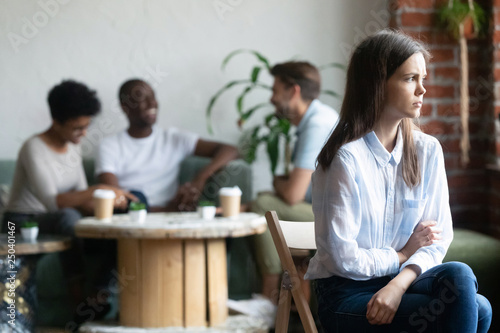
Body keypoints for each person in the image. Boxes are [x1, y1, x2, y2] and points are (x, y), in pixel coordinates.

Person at [305, 30, 492, 332]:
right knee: (478, 310)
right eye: (409, 79)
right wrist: (402, 254)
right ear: (377, 84)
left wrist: (399, 283)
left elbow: (438, 237)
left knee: (459, 275)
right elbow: (343, 260)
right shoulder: (346, 160)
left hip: (405, 283)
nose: (422, 90)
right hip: (347, 293)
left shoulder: (427, 150)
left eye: (423, 79)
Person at [1, 80, 136, 327]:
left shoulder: (73, 147)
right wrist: (99, 189)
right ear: (56, 122)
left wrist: (113, 208)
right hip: (21, 221)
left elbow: (82, 197)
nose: (84, 133)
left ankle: (98, 295)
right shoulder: (34, 148)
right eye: (77, 128)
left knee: (120, 229)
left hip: (61, 218)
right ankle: (78, 300)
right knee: (68, 217)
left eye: (86, 126)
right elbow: (54, 203)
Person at [250, 61, 339, 303]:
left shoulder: (317, 124)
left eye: (275, 90)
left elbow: (292, 194)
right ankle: (276, 300)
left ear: (294, 91)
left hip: (337, 219)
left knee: (262, 205)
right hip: (327, 212)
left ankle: (267, 301)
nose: (272, 98)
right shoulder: (317, 118)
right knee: (261, 204)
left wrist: (279, 182)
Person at [95, 79, 239, 212]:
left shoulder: (173, 138)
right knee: (135, 197)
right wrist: (164, 211)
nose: (152, 103)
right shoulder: (109, 145)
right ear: (125, 107)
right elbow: (114, 196)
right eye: (142, 98)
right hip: (131, 214)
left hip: (171, 214)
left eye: (153, 97)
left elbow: (230, 150)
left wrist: (200, 179)